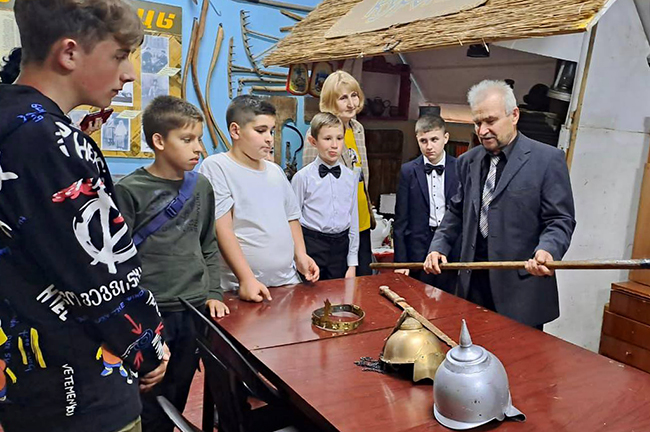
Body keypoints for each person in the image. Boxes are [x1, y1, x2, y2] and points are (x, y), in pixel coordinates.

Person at [0, 1, 169, 432]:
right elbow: (100, 274)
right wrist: (146, 346)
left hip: (23, 383)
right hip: (78, 394)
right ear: (69, 53)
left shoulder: (12, 121)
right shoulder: (47, 137)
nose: (130, 73)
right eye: (120, 55)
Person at [115, 96, 228, 432]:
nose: (198, 148)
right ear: (159, 141)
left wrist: (214, 292)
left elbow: (208, 243)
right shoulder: (129, 190)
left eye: (199, 139)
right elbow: (117, 262)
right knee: (146, 395)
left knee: (177, 394)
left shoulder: (201, 186)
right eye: (187, 139)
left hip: (193, 309)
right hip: (149, 313)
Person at [424, 79, 576, 329]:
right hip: (471, 287)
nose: (482, 131)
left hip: (520, 291)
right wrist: (439, 246)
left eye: (490, 121)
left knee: (516, 354)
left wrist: (548, 250)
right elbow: (456, 211)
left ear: (514, 115)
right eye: (477, 123)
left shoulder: (547, 160)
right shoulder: (468, 161)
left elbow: (560, 220)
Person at [199, 95, 319, 302]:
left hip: (286, 282)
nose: (269, 138)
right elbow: (223, 229)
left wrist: (300, 254)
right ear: (235, 131)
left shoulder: (275, 171)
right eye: (261, 130)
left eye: (271, 131)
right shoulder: (217, 167)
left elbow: (291, 217)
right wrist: (246, 279)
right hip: (241, 288)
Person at [302, 71, 375, 276]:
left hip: (361, 220)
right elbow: (311, 182)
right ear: (330, 101)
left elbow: (362, 175)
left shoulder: (357, 128)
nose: (351, 103)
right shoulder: (317, 133)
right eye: (343, 98)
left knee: (362, 281)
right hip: (334, 231)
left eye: (354, 95)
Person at [393, 115, 459, 293]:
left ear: (446, 138)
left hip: (452, 246)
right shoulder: (408, 170)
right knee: (418, 298)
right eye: (423, 141)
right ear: (417, 140)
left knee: (450, 299)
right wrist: (401, 261)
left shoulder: (460, 167)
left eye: (434, 139)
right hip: (418, 247)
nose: (429, 146)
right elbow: (401, 219)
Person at [292, 112, 359, 280]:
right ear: (313, 141)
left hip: (341, 248)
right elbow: (292, 220)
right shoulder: (302, 177)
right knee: (310, 294)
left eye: (339, 138)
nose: (334, 145)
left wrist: (352, 263)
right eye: (327, 139)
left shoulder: (350, 177)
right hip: (312, 245)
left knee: (339, 294)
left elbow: (353, 220)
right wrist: (298, 257)